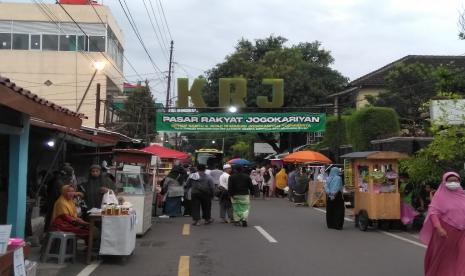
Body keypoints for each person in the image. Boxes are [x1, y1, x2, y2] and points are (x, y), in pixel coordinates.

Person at [420, 172, 465, 276]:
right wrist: (438, 228)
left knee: (462, 254)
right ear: (444, 182)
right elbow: (433, 212)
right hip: (445, 232)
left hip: (463, 232)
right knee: (444, 256)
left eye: (456, 180)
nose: (453, 183)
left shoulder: (463, 195)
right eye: (450, 181)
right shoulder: (439, 197)